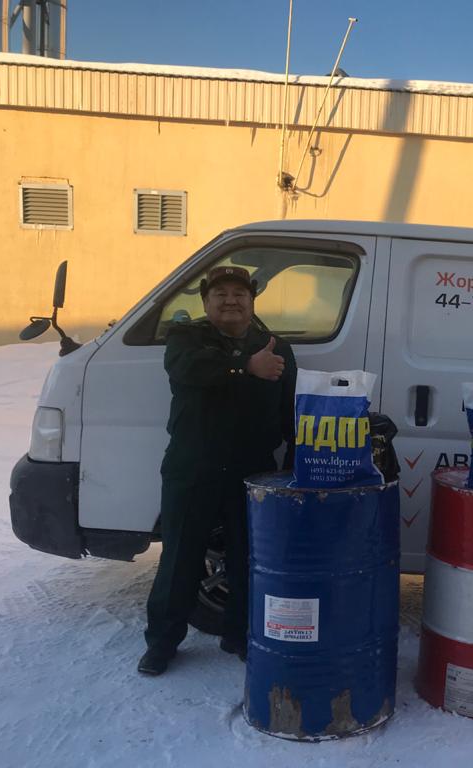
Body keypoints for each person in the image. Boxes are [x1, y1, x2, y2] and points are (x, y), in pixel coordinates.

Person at [138, 265, 297, 676]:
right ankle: (161, 644)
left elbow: (287, 411)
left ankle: (240, 637)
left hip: (252, 471)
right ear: (206, 302)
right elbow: (189, 369)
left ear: (252, 301)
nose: (231, 300)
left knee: (249, 558)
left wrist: (293, 464)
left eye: (239, 294)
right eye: (220, 293)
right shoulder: (186, 337)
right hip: (193, 467)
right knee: (180, 558)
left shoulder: (276, 346)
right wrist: (246, 366)